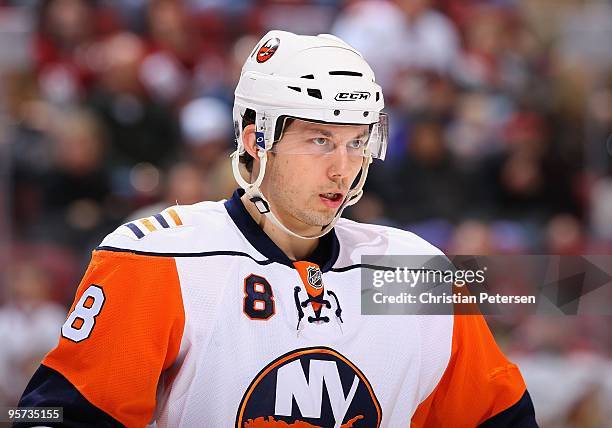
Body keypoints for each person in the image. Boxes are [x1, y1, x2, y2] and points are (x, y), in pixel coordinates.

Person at [17, 31, 537, 427]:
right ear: (255, 138)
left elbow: (502, 416)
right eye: (319, 140)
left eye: (357, 142)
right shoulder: (161, 260)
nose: (343, 167)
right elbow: (50, 417)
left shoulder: (409, 270)